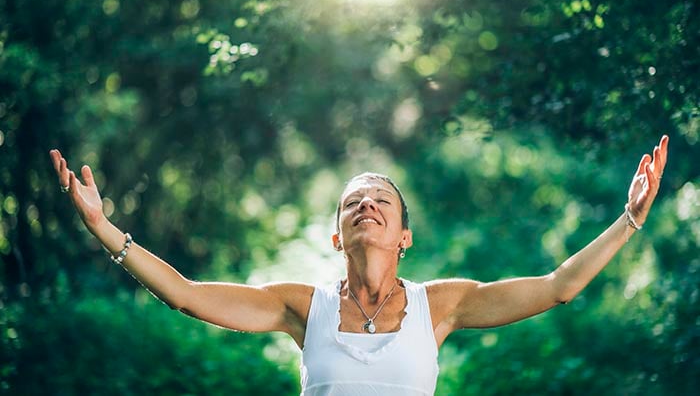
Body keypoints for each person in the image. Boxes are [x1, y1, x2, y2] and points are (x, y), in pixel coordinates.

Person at [49, 135, 668, 396]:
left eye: (381, 200)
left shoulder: (442, 305)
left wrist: (631, 217)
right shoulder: (301, 306)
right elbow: (184, 294)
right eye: (353, 202)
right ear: (337, 235)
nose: (366, 205)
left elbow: (559, 287)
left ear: (404, 236)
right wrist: (104, 228)